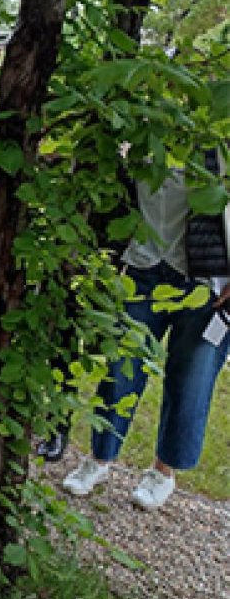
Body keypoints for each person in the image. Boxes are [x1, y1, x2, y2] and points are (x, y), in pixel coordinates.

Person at [63, 148, 230, 509]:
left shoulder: (215, 133)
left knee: (192, 380)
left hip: (204, 279)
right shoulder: (139, 128)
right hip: (142, 268)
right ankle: (100, 458)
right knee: (121, 368)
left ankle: (163, 471)